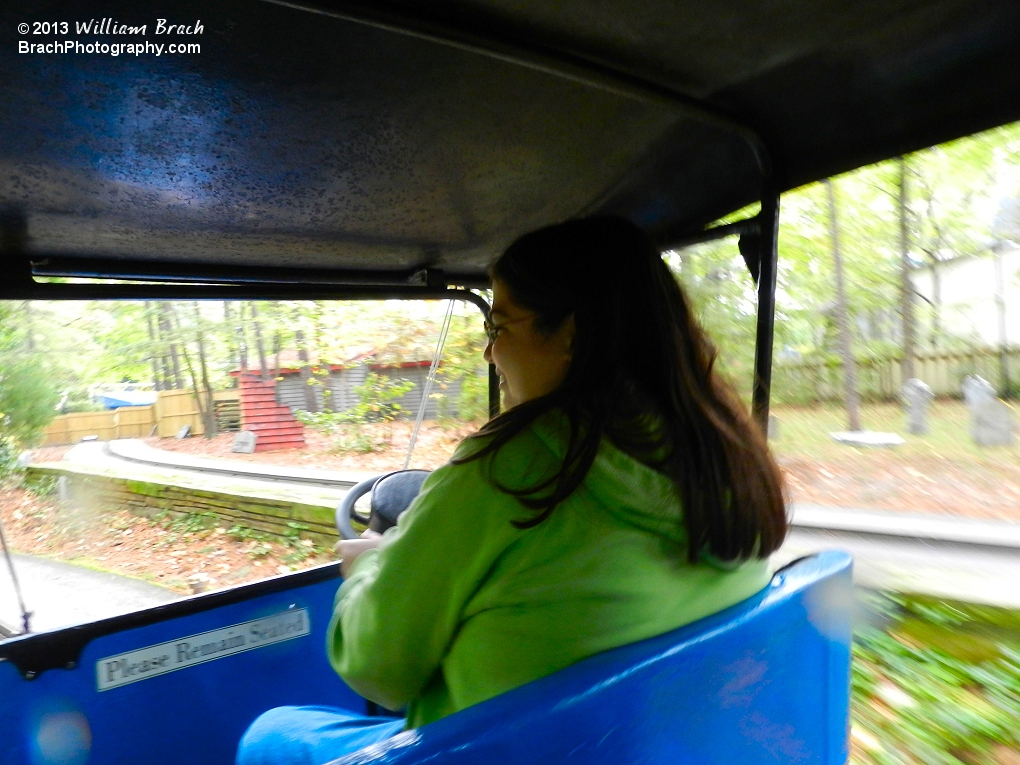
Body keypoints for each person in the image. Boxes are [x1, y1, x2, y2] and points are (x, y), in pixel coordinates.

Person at [236, 216, 787, 765]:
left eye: (499, 328)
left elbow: (376, 669)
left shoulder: (507, 472)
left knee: (270, 734)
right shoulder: (724, 457)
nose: (489, 354)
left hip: (503, 751)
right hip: (661, 741)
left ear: (570, 334)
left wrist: (367, 571)